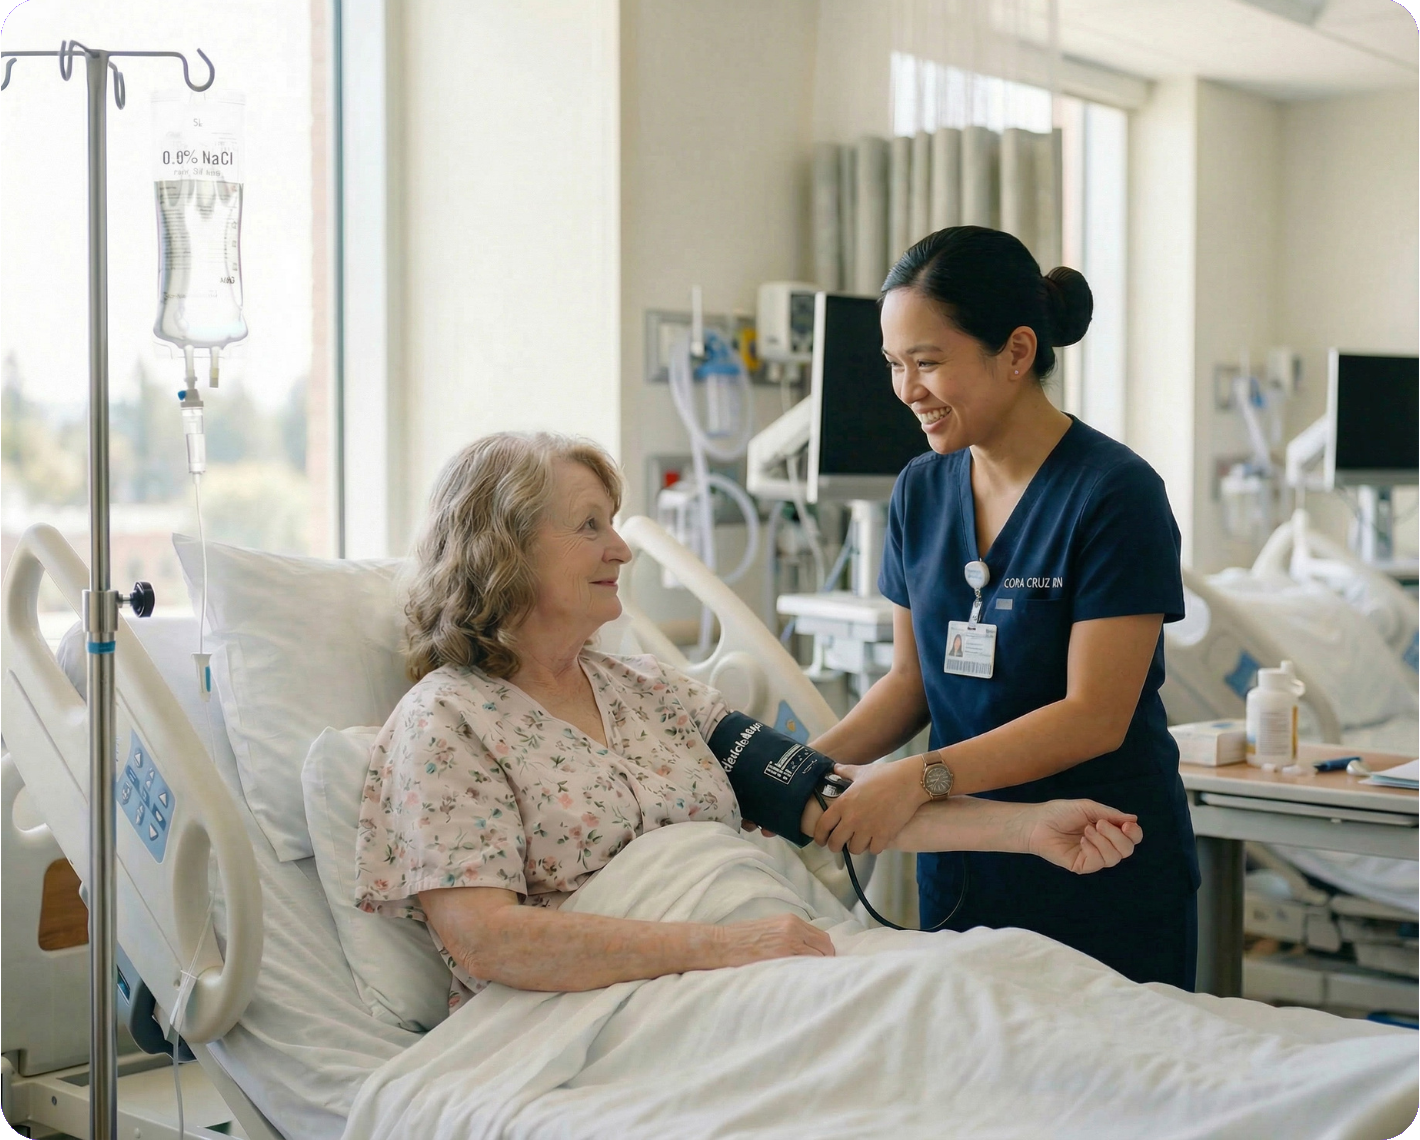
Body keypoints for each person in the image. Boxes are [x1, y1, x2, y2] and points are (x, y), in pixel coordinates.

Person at [355, 432, 1143, 1005]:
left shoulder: (653, 691)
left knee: (993, 992)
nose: (621, 551)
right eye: (589, 525)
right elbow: (485, 938)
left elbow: (826, 797)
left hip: (766, 962)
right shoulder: (447, 723)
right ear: (506, 548)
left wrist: (1029, 827)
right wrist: (729, 950)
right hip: (615, 1008)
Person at [810, 226, 1200, 989]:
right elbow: (910, 685)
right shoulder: (920, 489)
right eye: (895, 365)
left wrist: (915, 778)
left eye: (928, 362)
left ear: (1017, 352)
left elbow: (1095, 714)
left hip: (1101, 862)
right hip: (965, 871)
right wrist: (803, 769)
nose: (906, 390)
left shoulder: (1114, 494)